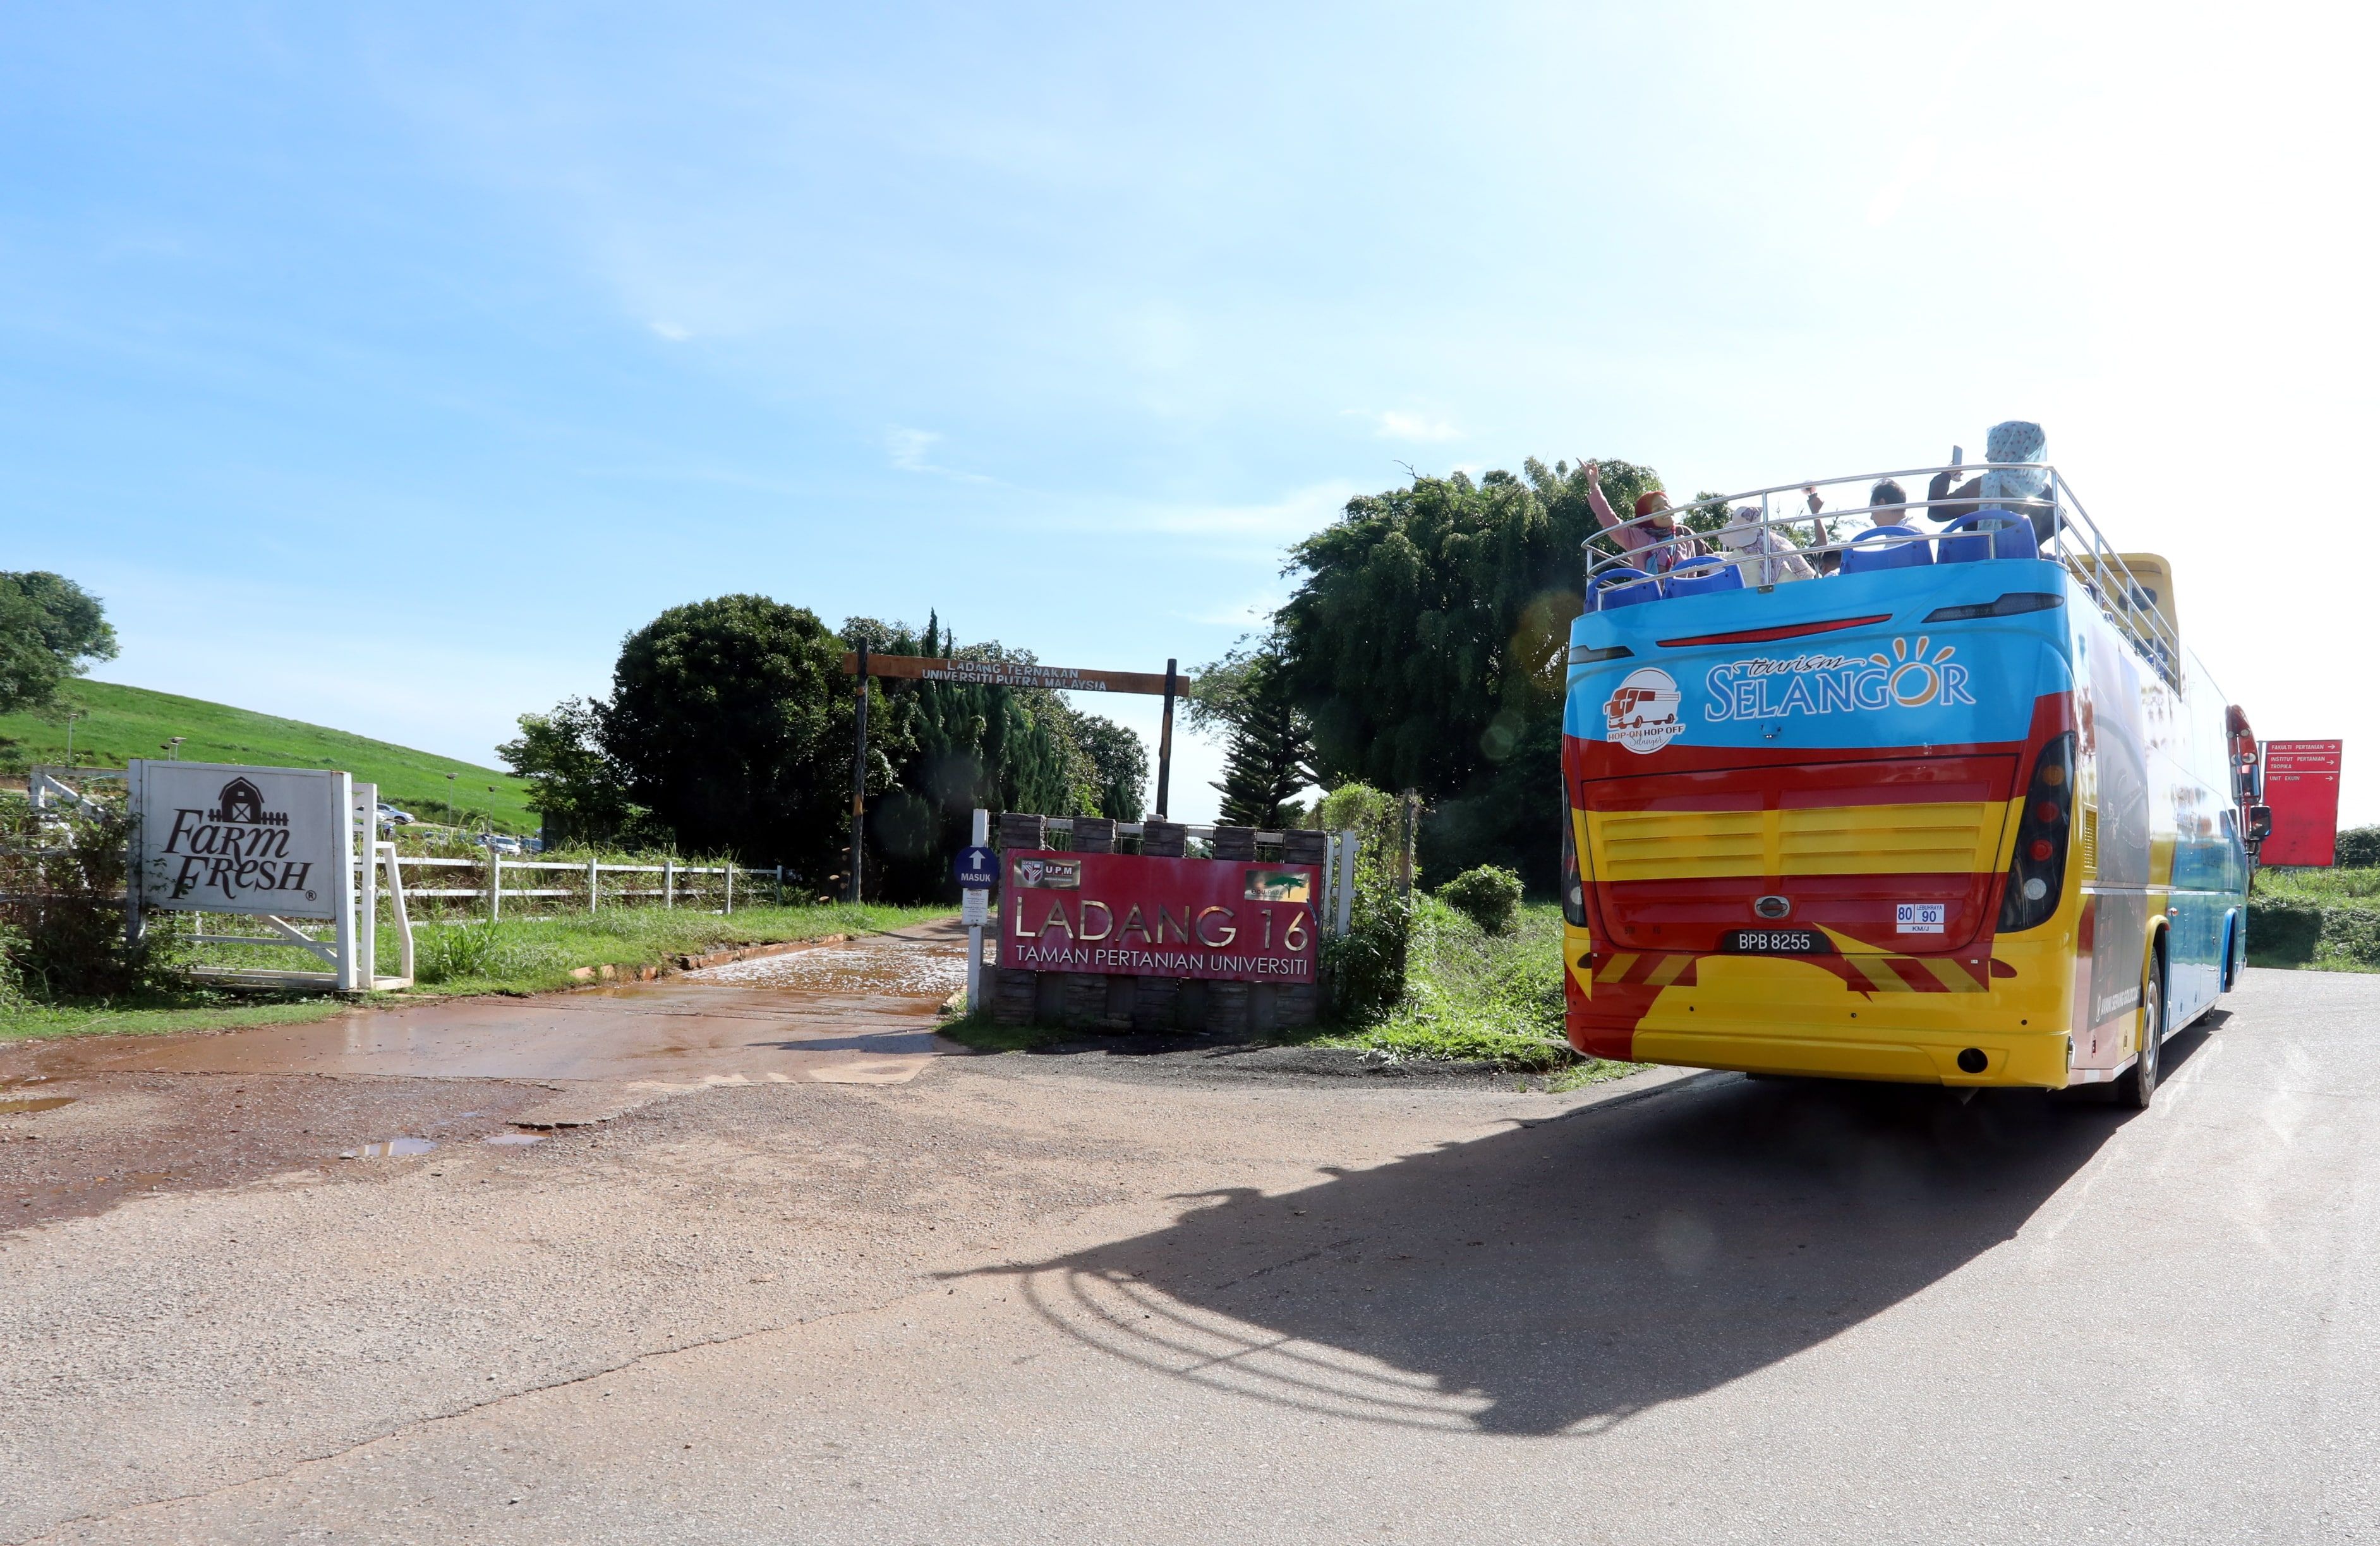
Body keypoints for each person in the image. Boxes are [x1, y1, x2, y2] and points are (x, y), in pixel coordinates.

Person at [1925, 420, 2057, 548]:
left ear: (2006, 448)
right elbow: (2060, 521)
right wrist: (2034, 543)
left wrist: (1945, 476)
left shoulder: (1984, 486)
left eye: (1994, 447)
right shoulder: (2043, 490)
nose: (1987, 455)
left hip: (1980, 563)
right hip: (2027, 564)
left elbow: (1936, 513)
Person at [1581, 461, 1703, 577]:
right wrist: (1594, 487)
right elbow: (1610, 521)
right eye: (1657, 509)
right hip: (1646, 597)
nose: (1665, 509)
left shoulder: (1686, 543)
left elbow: (1692, 578)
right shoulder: (1638, 538)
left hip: (1679, 598)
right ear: (1647, 518)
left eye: (1667, 504)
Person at [1717, 504, 1816, 584]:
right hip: (1804, 586)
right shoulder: (1777, 540)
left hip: (1782, 596)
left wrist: (1709, 555)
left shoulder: (1745, 553)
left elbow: (1726, 561)